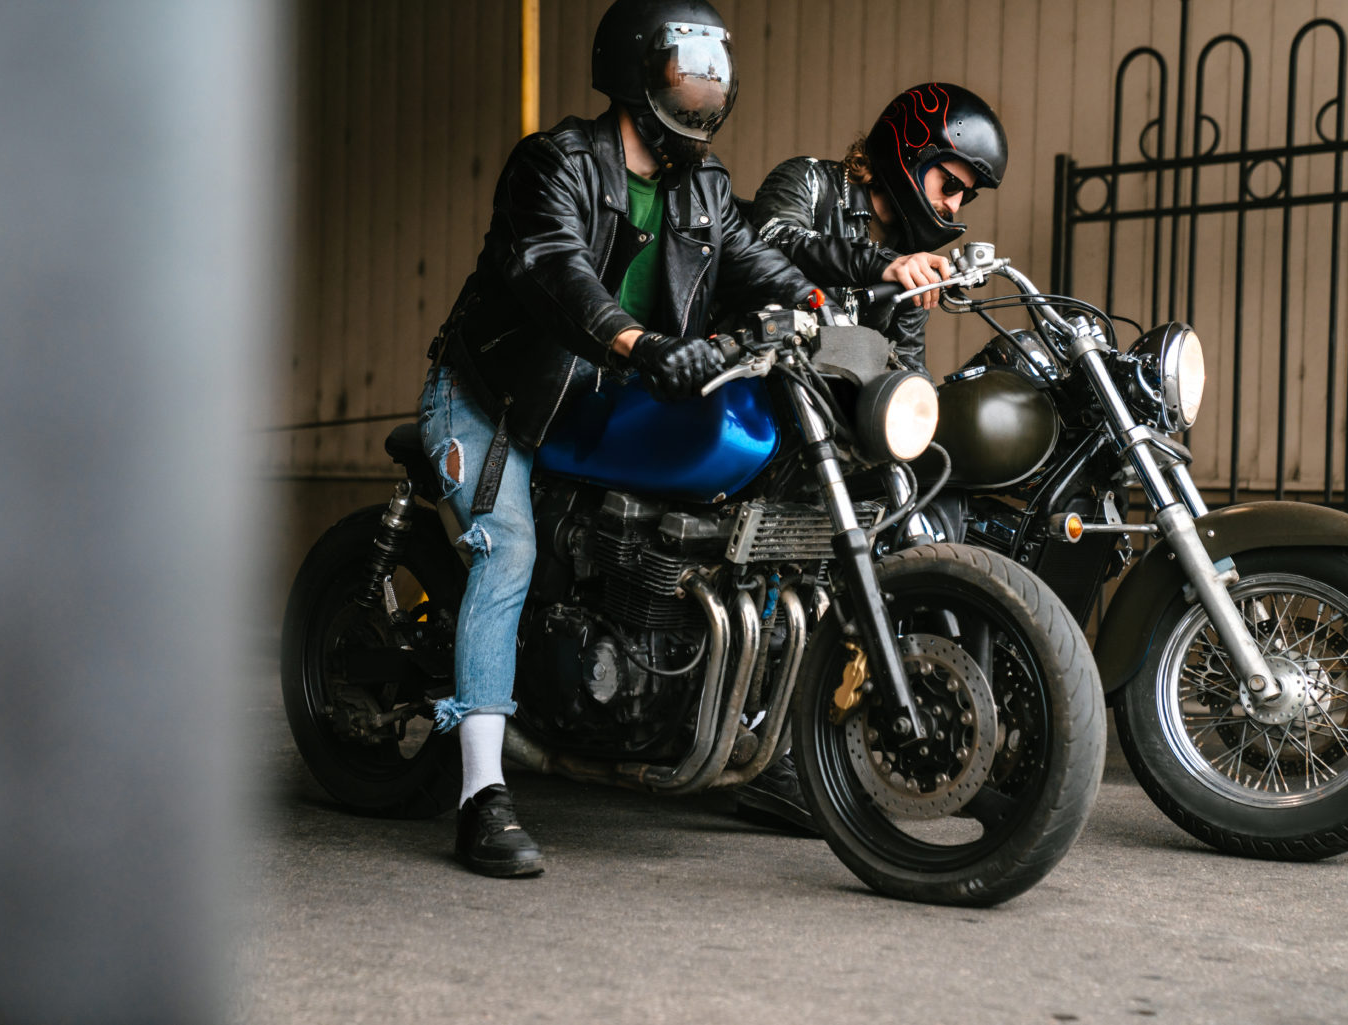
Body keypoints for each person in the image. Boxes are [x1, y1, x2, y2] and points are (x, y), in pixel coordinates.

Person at [420, 0, 820, 878]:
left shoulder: (706, 187)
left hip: (607, 398)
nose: (703, 92)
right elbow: (553, 268)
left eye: (711, 73)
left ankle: (753, 742)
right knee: (509, 550)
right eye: (687, 73)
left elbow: (755, 263)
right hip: (498, 396)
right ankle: (481, 794)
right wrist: (642, 344)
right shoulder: (553, 164)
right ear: (638, 74)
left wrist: (821, 308)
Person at [749, 82, 1009, 375]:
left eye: (967, 194)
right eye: (951, 185)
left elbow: (908, 363)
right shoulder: (810, 181)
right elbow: (777, 240)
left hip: (831, 412)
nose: (955, 205)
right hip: (761, 386)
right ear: (911, 152)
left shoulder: (910, 257)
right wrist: (885, 264)